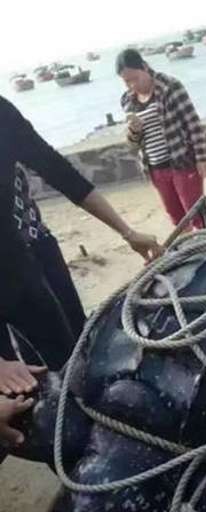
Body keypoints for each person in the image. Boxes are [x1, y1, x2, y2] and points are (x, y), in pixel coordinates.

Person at [0, 95, 161, 371]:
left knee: (75, 350)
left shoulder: (2, 114)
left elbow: (60, 172)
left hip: (33, 249)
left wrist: (128, 232)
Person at [116, 48, 206, 230]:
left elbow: (192, 123)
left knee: (197, 217)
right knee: (177, 220)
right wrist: (133, 132)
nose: (131, 85)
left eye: (134, 78)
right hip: (155, 168)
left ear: (144, 67)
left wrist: (202, 157)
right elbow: (133, 145)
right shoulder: (127, 100)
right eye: (126, 82)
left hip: (181, 162)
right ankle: (189, 255)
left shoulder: (169, 86)